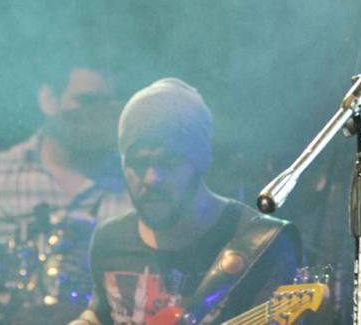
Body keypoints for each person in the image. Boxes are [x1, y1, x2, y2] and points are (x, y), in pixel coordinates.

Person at [71, 78, 302, 325]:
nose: (152, 178)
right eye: (138, 163)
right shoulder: (110, 239)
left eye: (169, 162)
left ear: (201, 161)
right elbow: (103, 312)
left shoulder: (262, 245)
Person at [0, 67, 133, 323]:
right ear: (48, 100)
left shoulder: (133, 180)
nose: (99, 114)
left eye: (108, 103)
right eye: (86, 101)